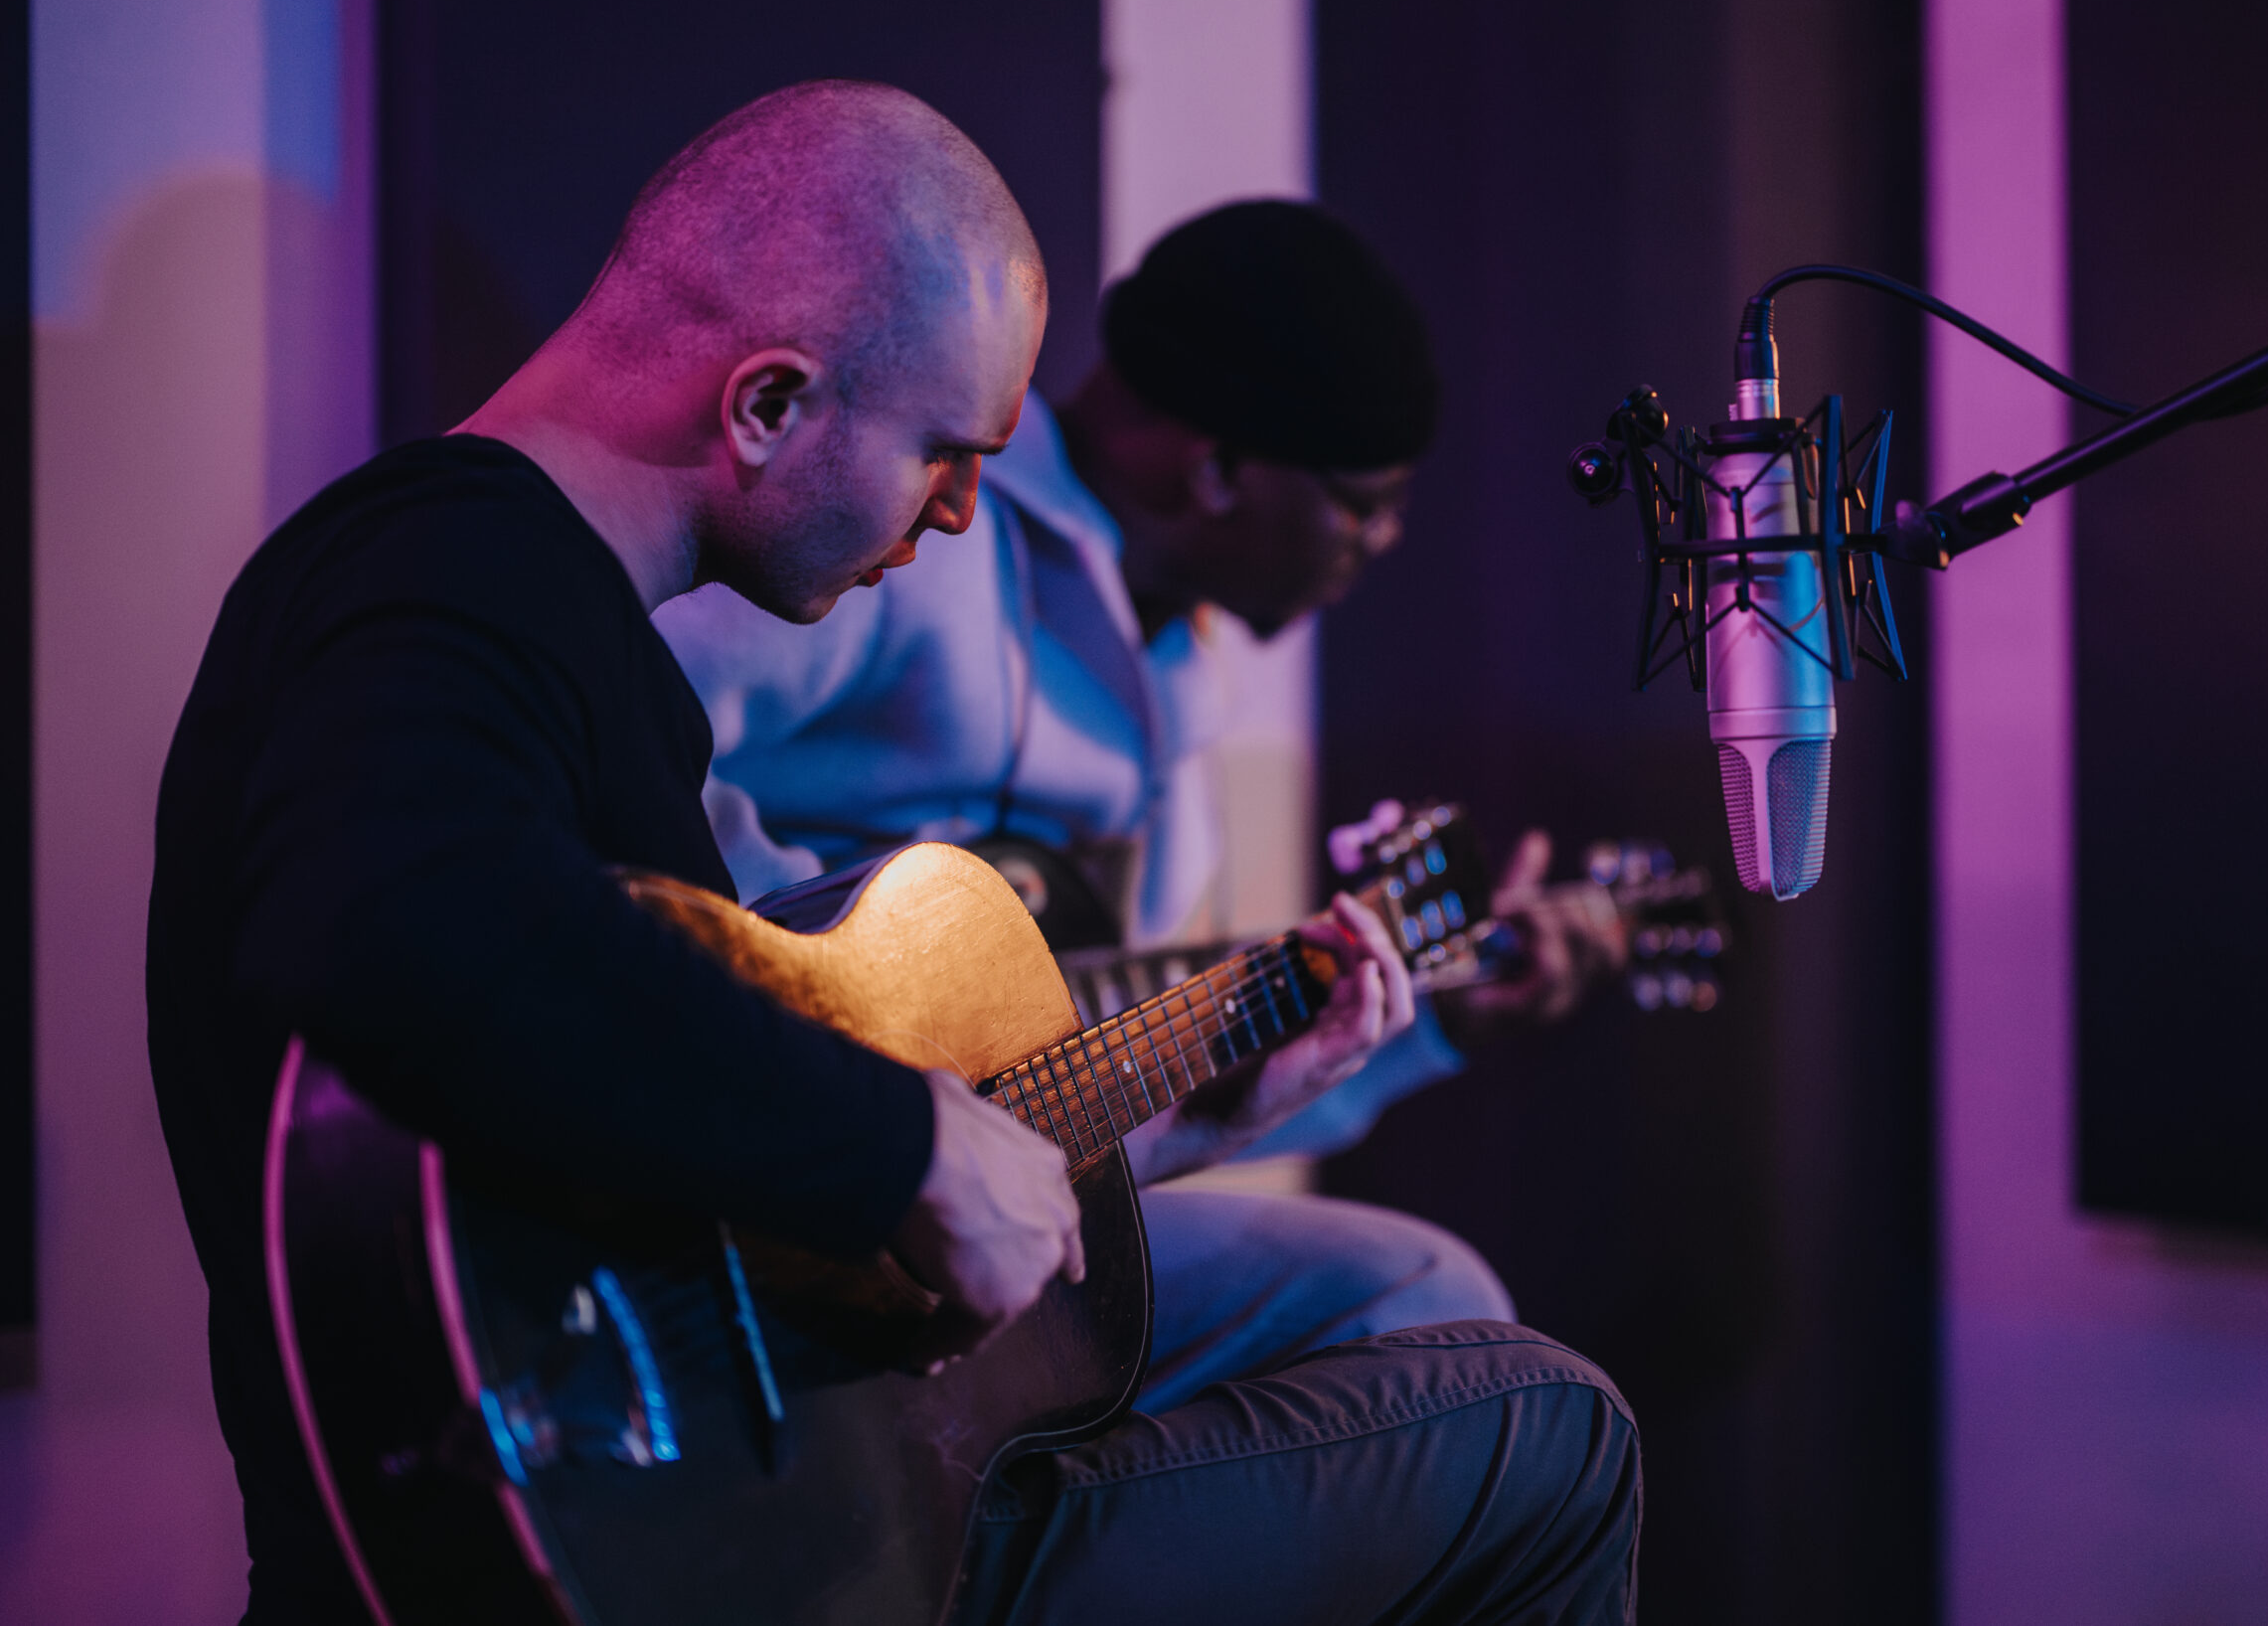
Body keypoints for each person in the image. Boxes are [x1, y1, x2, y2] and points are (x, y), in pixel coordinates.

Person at [147, 81, 1639, 1624]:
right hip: (658, 1549)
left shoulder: (587, 650)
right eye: (946, 451)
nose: (964, 509)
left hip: (744, 1506)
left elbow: (721, 1198)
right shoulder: (446, 568)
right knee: (1548, 1429)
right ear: (770, 404)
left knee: (1452, 1348)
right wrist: (903, 1143)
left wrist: (1181, 1115)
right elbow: (395, 920)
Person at [657, 199, 1629, 1411]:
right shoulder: (914, 538)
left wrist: (1431, 1023)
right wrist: (843, 1038)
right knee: (1426, 1296)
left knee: (1436, 1330)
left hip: (963, 1228)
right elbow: (628, 722)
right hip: (741, 1173)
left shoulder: (1183, 687)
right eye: (1360, 500)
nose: (1381, 540)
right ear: (1214, 469)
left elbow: (1118, 1096)